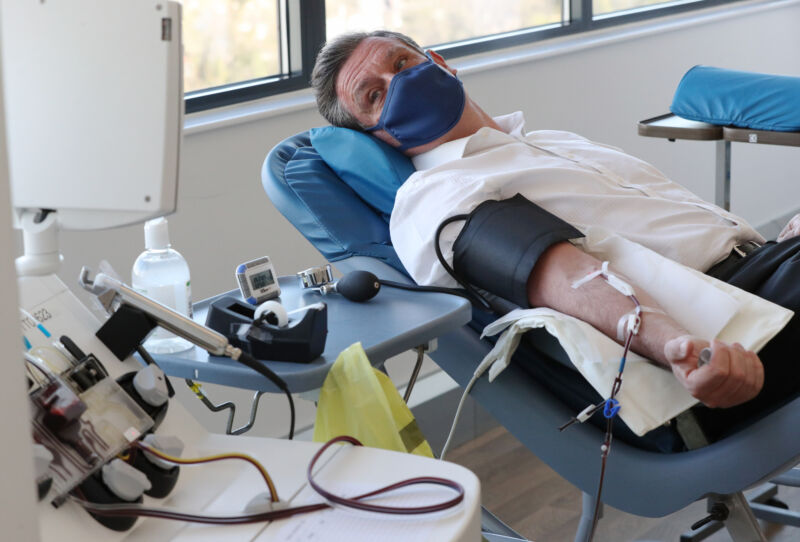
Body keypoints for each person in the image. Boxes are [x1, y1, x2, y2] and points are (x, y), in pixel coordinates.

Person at [310, 30, 800, 446]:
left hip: (766, 270)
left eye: (402, 63)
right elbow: (566, 277)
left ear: (439, 62)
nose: (398, 83)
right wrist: (683, 347)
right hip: (729, 332)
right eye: (374, 95)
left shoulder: (553, 142)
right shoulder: (438, 195)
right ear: (376, 137)